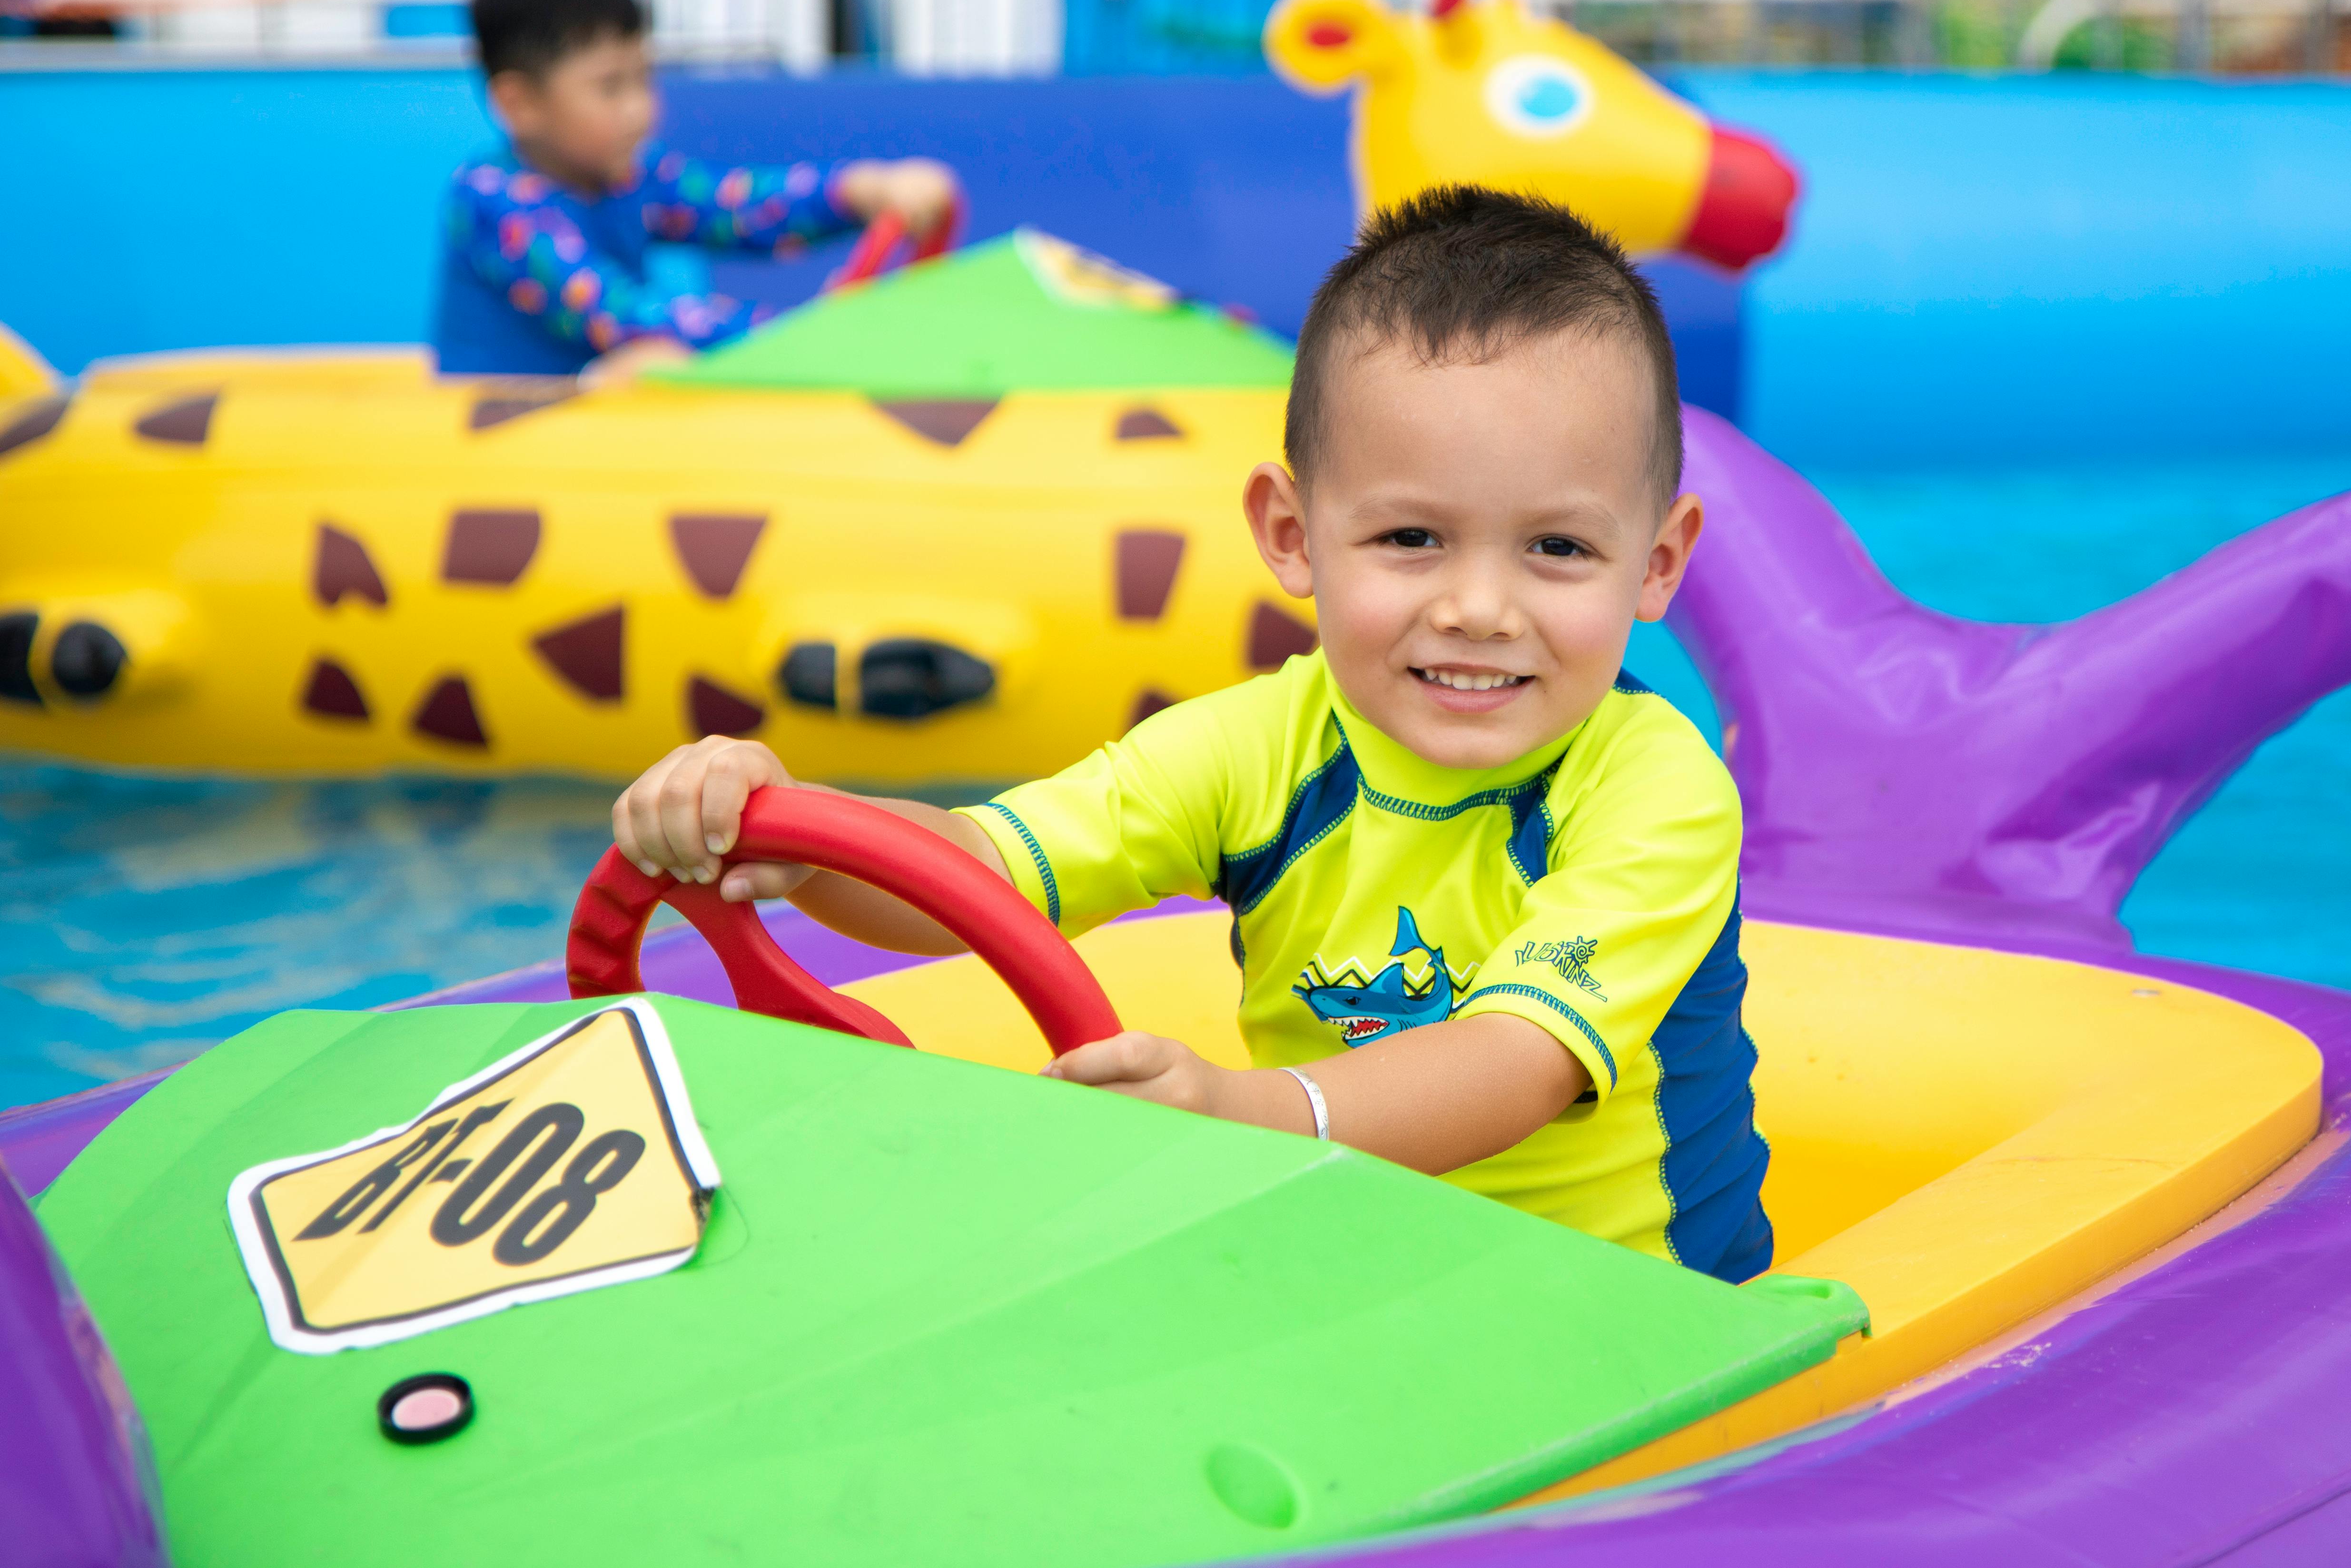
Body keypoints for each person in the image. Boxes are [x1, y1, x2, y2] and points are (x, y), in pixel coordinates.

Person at [612, 187, 1773, 1282]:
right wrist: (805, 840)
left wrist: (1244, 1115)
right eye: (1413, 538)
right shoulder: (1258, 747)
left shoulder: (1654, 787)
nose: (1477, 605)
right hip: (1361, 1264)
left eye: (1557, 549)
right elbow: (982, 872)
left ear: (1656, 563)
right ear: (1291, 532)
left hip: (1640, 1304)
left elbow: (1515, 1064)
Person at [434, 0, 957, 380]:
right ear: (520, 104)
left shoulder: (633, 179)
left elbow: (740, 208)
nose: (641, 109)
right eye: (610, 88)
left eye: (644, 78)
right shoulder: (495, 201)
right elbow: (616, 314)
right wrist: (796, 337)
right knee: (648, 364)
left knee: (651, 366)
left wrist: (863, 190)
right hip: (502, 438)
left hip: (585, 445)